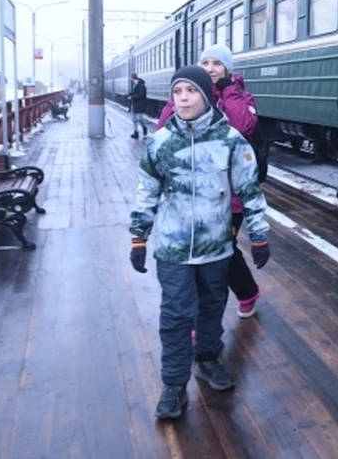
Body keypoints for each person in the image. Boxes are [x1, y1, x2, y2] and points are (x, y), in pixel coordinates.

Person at [129, 65, 270, 419]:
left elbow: (250, 189)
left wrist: (259, 234)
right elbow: (147, 192)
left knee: (210, 306)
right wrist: (138, 238)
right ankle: (174, 385)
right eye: (178, 92)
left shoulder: (230, 141)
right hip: (173, 249)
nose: (183, 98)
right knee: (176, 315)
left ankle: (207, 359)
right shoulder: (160, 143)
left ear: (206, 96)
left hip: (216, 247)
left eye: (191, 91)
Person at [157, 44, 264, 319]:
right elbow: (164, 130)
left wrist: (229, 91)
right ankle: (197, 319)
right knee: (193, 255)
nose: (211, 69)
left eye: (217, 63)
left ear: (228, 68)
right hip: (188, 194)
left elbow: (241, 126)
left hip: (230, 196)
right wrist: (184, 93)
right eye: (205, 62)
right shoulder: (188, 96)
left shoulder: (242, 97)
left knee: (221, 253)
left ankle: (243, 294)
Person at [127, 72, 148, 139]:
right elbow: (133, 93)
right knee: (134, 119)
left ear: (133, 78)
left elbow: (142, 95)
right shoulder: (133, 85)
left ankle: (144, 127)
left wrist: (132, 97)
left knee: (139, 118)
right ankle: (136, 132)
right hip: (133, 104)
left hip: (140, 104)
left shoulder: (141, 86)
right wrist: (130, 95)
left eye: (131, 78)